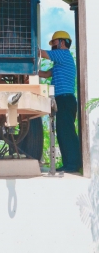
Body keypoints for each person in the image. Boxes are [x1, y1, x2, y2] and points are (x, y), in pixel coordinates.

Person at [38, 30, 81, 173]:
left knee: (66, 132)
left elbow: (42, 53)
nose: (53, 45)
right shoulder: (59, 63)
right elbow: (45, 74)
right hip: (64, 100)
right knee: (64, 132)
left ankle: (73, 164)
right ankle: (69, 163)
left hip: (65, 99)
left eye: (54, 42)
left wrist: (27, 48)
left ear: (62, 42)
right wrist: (31, 70)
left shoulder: (63, 54)